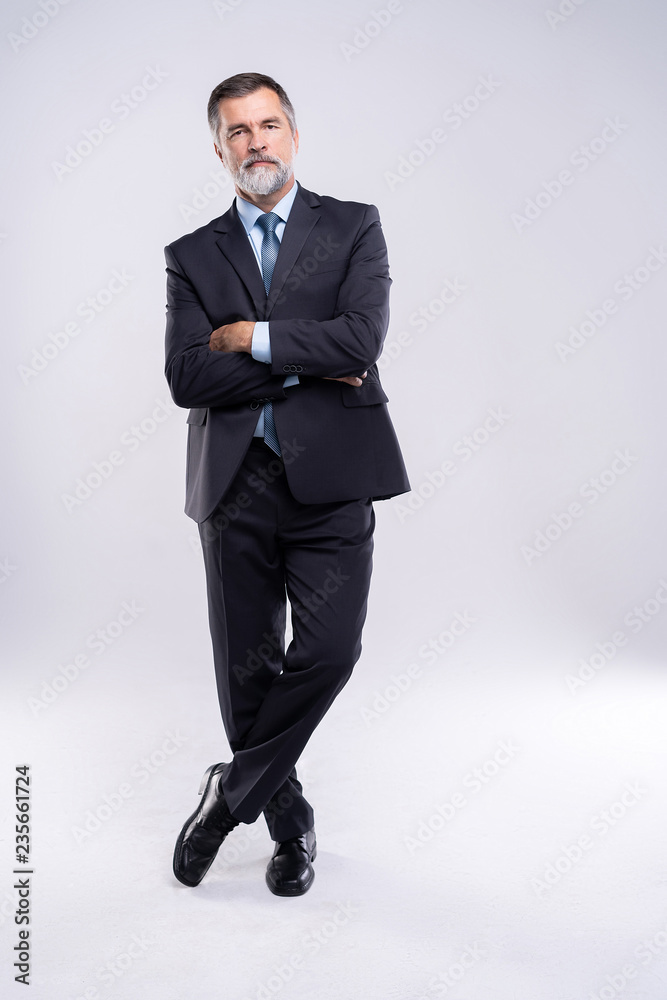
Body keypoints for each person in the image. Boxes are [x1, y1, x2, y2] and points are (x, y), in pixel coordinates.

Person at [164, 72, 410, 896]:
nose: (255, 142)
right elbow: (187, 377)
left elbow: (360, 340)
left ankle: (228, 796)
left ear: (293, 135)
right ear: (219, 150)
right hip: (232, 488)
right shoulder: (191, 255)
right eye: (237, 131)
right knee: (246, 670)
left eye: (268, 125)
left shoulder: (352, 226)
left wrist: (250, 339)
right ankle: (289, 823)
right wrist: (306, 360)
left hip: (332, 483)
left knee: (330, 651)